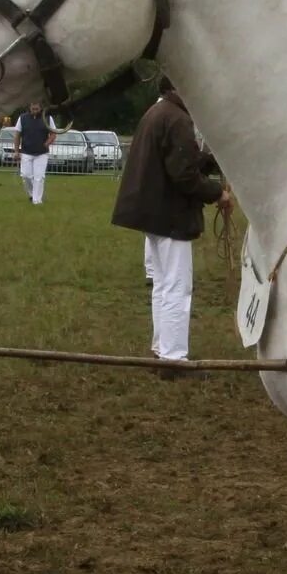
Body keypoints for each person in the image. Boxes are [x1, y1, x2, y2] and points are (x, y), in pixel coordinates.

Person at [111, 78, 231, 362]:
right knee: (177, 288)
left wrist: (214, 160)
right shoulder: (177, 119)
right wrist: (218, 194)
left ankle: (161, 348)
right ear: (178, 88)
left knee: (163, 285)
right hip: (169, 215)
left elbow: (181, 159)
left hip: (153, 214)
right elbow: (184, 175)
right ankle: (174, 358)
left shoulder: (158, 112)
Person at [15, 101, 58, 204]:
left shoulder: (48, 118)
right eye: (33, 109)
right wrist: (16, 151)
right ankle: (31, 194)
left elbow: (53, 134)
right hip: (26, 151)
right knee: (26, 175)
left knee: (39, 177)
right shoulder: (22, 118)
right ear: (30, 107)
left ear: (40, 108)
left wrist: (47, 143)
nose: (34, 111)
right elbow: (17, 135)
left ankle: (37, 200)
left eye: (37, 109)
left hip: (42, 153)